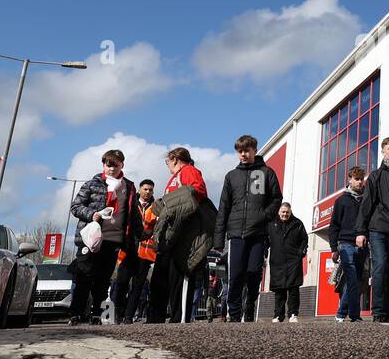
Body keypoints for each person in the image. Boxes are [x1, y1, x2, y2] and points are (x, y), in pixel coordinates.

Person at [68, 150, 142, 325]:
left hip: (114, 240)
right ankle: (76, 313)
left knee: (103, 280)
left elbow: (133, 215)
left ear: (122, 165)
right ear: (103, 165)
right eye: (108, 164)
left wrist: (140, 235)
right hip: (91, 239)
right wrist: (91, 214)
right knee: (84, 276)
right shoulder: (92, 184)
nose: (111, 168)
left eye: (115, 164)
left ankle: (97, 314)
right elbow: (75, 206)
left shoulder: (129, 187)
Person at [214, 135, 284, 322]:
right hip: (235, 233)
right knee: (235, 275)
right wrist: (218, 239)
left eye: (246, 151)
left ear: (254, 150)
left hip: (258, 233)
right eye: (240, 151)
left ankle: (250, 305)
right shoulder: (231, 176)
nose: (243, 154)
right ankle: (235, 314)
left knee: (253, 273)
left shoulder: (266, 173)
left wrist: (264, 216)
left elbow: (277, 198)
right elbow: (223, 208)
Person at [355, 137, 389, 322]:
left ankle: (388, 312)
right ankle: (378, 311)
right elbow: (366, 204)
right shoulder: (375, 176)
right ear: (383, 151)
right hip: (378, 229)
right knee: (380, 267)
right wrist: (361, 231)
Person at [150, 181, 216, 323]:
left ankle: (180, 319)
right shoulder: (175, 181)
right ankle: (169, 317)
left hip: (183, 244)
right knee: (167, 283)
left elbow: (194, 197)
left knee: (182, 285)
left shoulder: (189, 174)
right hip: (171, 244)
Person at [112, 179, 158, 324]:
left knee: (137, 288)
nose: (148, 192)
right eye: (145, 189)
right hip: (128, 251)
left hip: (145, 253)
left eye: (150, 190)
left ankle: (128, 317)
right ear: (139, 189)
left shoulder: (157, 207)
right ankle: (118, 313)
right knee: (121, 284)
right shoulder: (130, 204)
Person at [330, 168, 367, 322]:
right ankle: (354, 315)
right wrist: (334, 249)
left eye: (361, 179)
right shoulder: (341, 201)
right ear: (350, 179)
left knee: (355, 281)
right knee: (351, 278)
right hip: (345, 244)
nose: (359, 182)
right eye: (356, 179)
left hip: (362, 244)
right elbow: (334, 226)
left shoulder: (367, 199)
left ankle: (340, 313)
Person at [268, 203, 308, 323]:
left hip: (293, 261)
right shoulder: (271, 224)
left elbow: (304, 239)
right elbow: (266, 240)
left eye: (287, 212)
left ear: (290, 212)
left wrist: (301, 252)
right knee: (279, 290)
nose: (285, 214)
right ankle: (278, 315)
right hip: (277, 261)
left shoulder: (298, 224)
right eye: (283, 212)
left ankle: (293, 314)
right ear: (279, 212)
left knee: (293, 289)